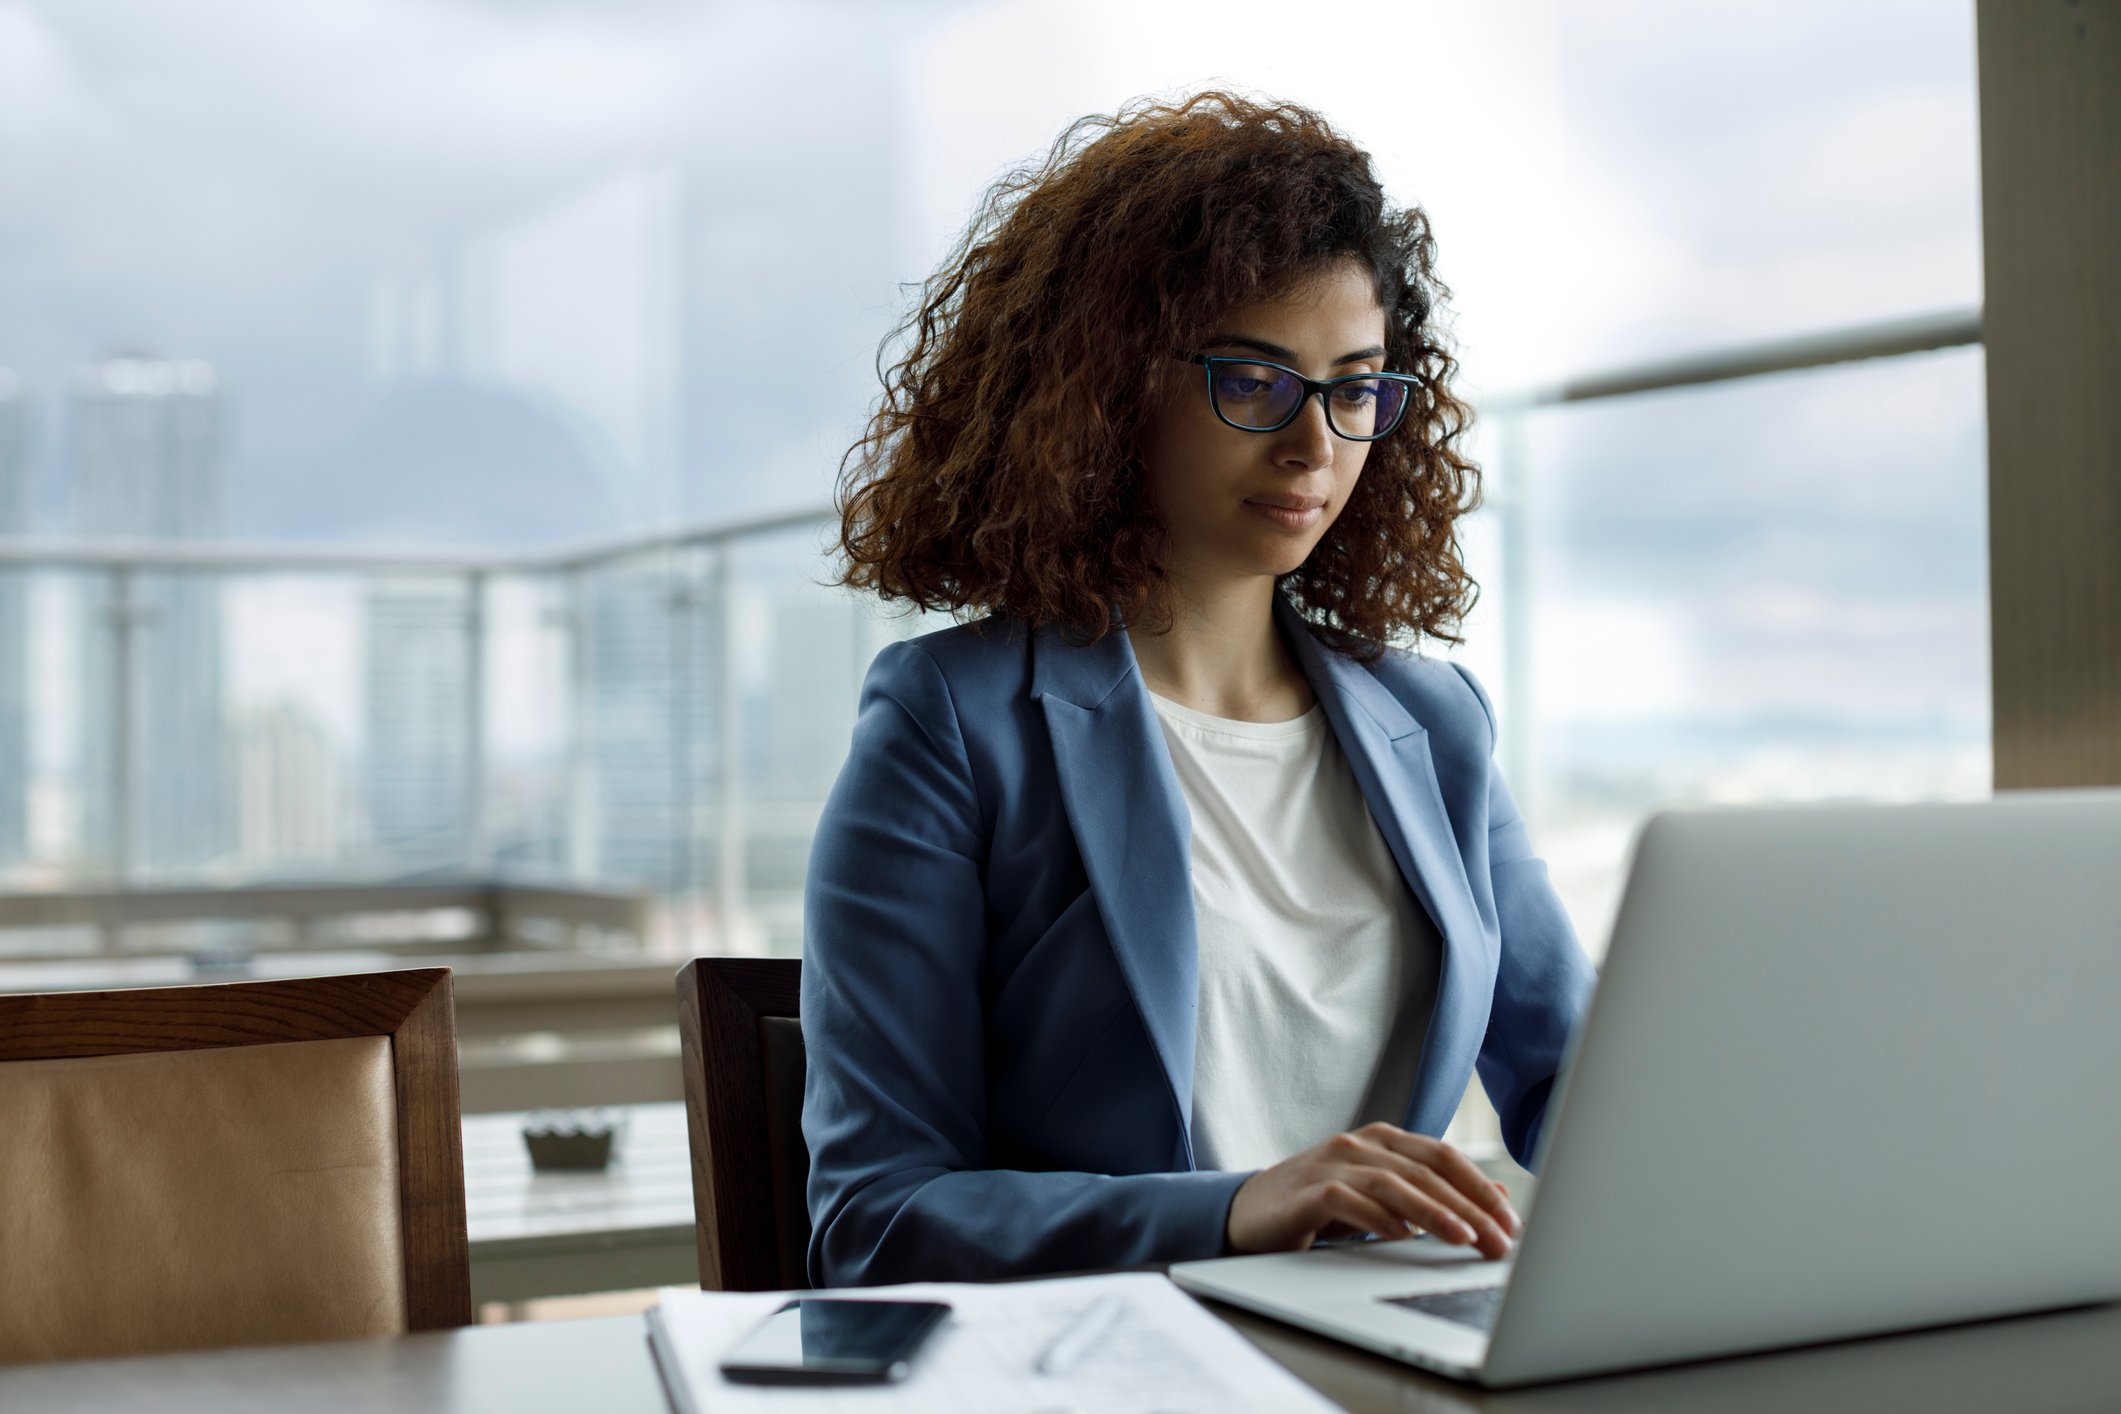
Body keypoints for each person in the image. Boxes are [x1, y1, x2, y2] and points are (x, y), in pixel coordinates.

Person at [801, 90, 1596, 1287]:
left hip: (1379, 1355)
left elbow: (1583, 1090)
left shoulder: (1436, 725)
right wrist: (1229, 1211)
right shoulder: (952, 721)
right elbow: (871, 1219)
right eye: (1257, 382)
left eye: (1356, 387)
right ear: (1108, 385)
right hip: (1124, 1361)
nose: (1315, 447)